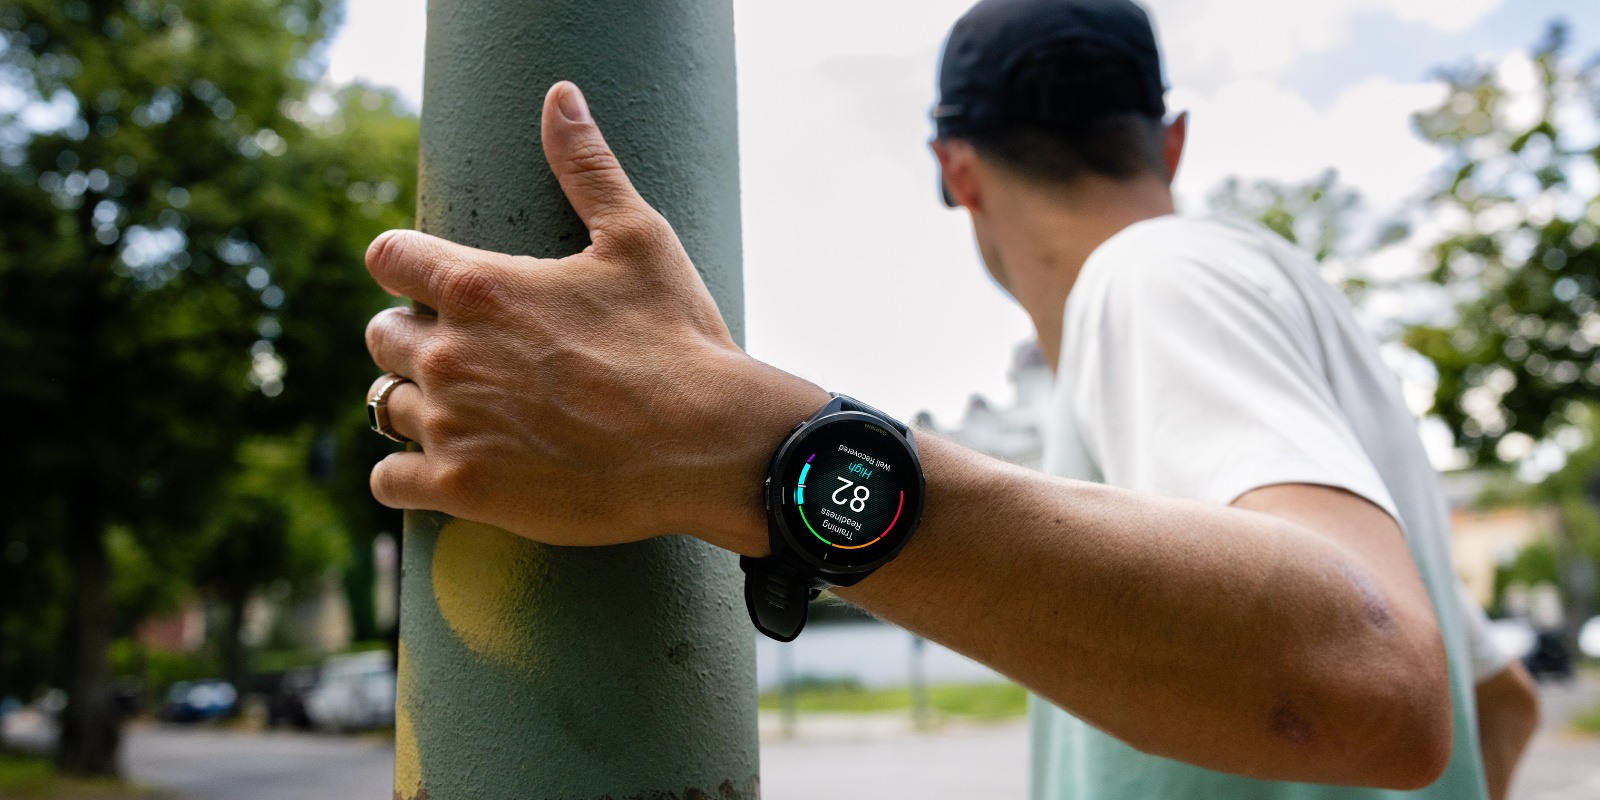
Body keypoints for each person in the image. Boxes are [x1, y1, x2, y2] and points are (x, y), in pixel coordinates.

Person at [359, 0, 1529, 795]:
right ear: (1165, 141)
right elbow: (1503, 701)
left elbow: (1382, 684)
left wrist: (739, 448)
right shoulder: (1319, 336)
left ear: (952, 167)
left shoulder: (1156, 272)